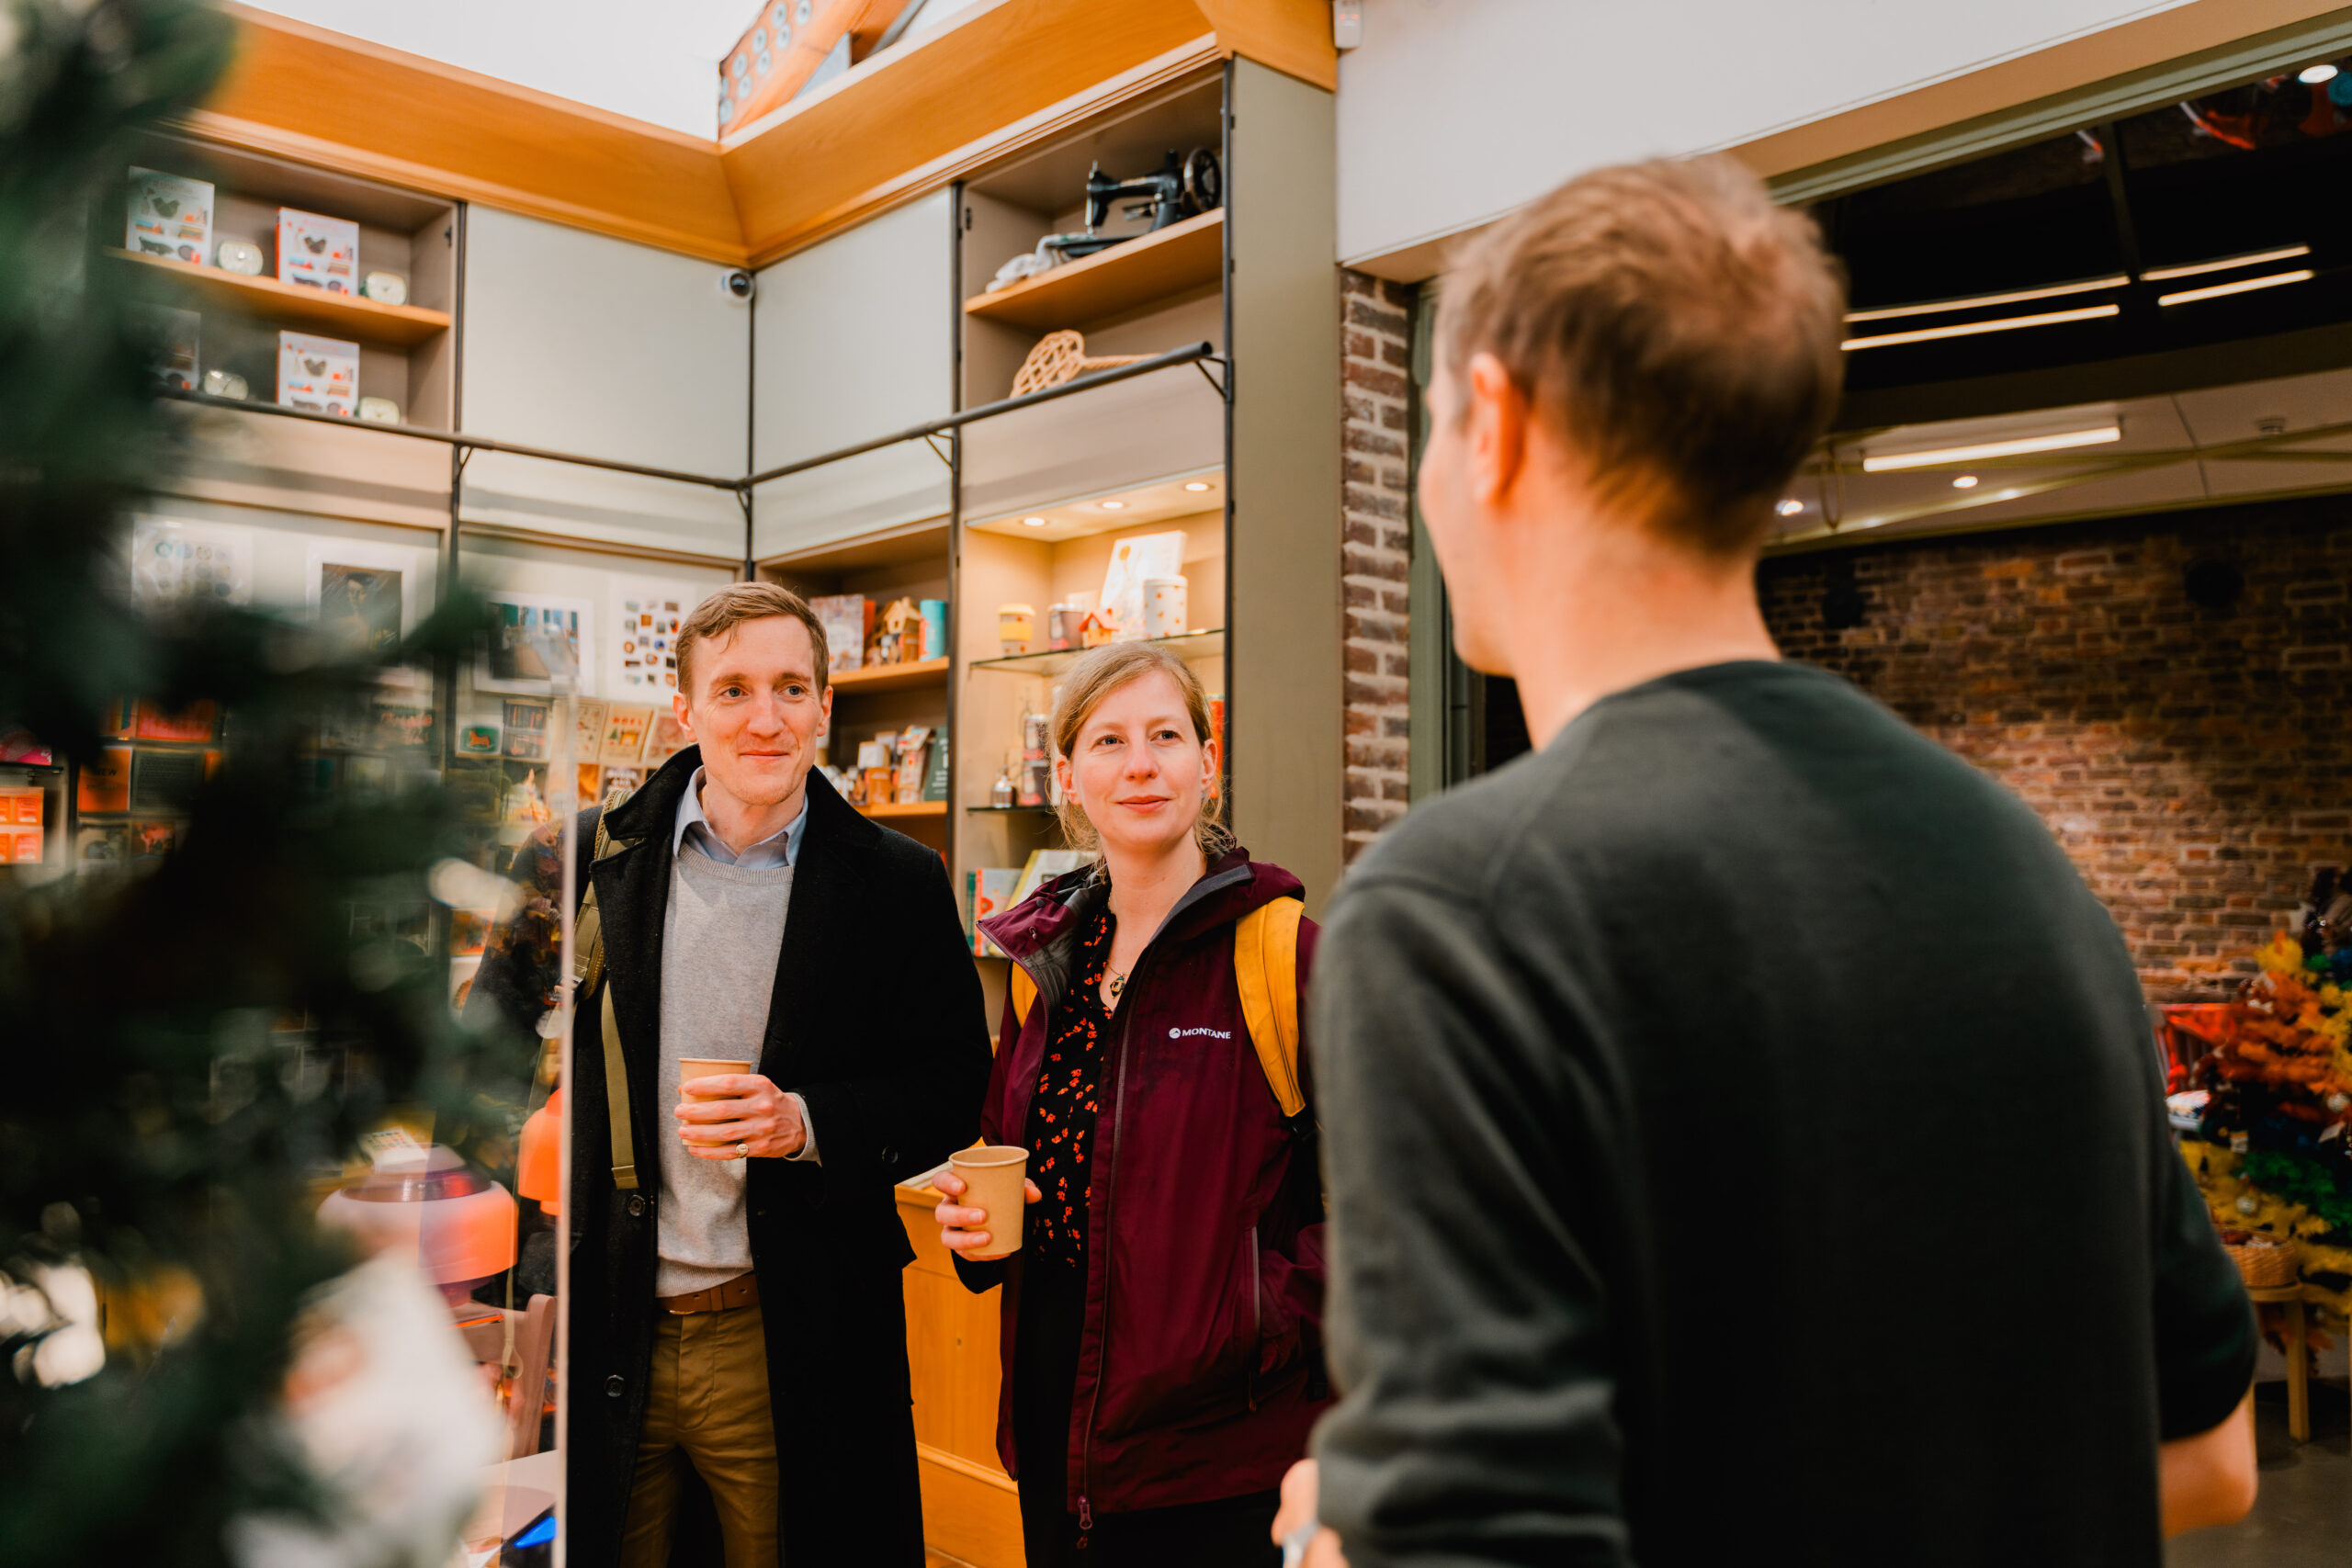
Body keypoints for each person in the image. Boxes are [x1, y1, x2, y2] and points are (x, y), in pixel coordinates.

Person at [1276, 158, 2259, 1568]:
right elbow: (2209, 1454)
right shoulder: (2023, 870)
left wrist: (1345, 1536)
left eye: (1430, 423)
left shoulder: (1462, 906)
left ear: (1489, 422)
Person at [469, 582, 990, 1568]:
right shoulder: (572, 860)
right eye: (735, 688)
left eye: (792, 688)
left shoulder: (897, 882)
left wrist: (806, 1120)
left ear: (824, 708)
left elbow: (953, 1083)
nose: (765, 717)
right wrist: (534, 1249)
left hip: (792, 1329)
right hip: (603, 1323)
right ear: (686, 710)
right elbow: (476, 1070)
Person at [933, 642, 1329, 1568]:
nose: (1141, 764)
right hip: (1052, 1418)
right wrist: (979, 1229)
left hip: (1224, 1449)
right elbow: (1010, 1157)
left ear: (1206, 758)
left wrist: (1263, 1318)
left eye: (1164, 735)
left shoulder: (1287, 955)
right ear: (1068, 775)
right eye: (1109, 741)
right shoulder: (1044, 968)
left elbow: (1404, 1199)